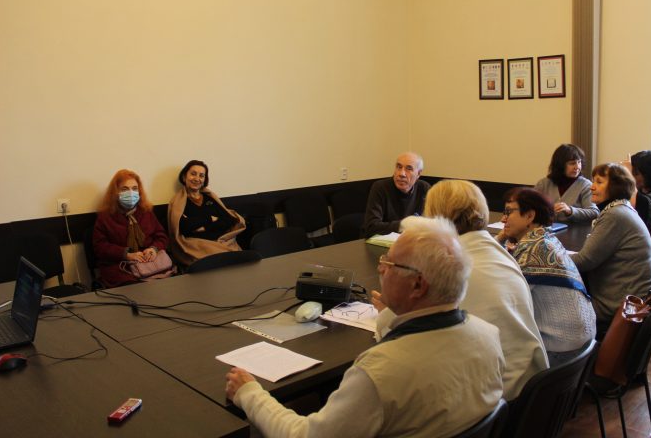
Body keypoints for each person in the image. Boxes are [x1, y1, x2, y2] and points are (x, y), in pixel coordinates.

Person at [225, 216, 504, 438]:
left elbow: (304, 435)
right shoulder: (488, 336)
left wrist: (250, 394)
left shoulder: (378, 372)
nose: (381, 268)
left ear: (418, 285)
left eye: (390, 263)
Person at [418, 180, 548, 398]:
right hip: (531, 384)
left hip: (501, 395)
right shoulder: (499, 252)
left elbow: (415, 329)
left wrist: (388, 313)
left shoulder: (452, 267)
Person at [500, 187, 596, 365]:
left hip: (562, 350)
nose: (503, 219)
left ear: (530, 216)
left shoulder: (533, 250)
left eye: (508, 212)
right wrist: (501, 237)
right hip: (581, 344)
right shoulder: (545, 239)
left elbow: (507, 301)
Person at [570, 163, 651, 333]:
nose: (592, 187)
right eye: (593, 181)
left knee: (554, 308)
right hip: (639, 300)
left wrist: (551, 255)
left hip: (622, 307)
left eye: (599, 182)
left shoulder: (614, 215)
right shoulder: (622, 208)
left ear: (615, 187)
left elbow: (584, 261)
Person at [93, 169, 170, 288]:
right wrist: (126, 254)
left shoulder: (146, 212)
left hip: (150, 264)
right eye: (124, 189)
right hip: (121, 267)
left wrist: (153, 249)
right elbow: (100, 247)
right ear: (115, 192)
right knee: (138, 288)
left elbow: (161, 236)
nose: (131, 193)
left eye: (134, 188)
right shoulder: (105, 217)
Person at [167, 160, 246, 266]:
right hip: (196, 247)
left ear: (204, 180)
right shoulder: (178, 202)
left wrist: (204, 227)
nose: (197, 179)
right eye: (193, 174)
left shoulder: (210, 198)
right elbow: (185, 228)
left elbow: (228, 220)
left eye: (201, 176)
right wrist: (210, 218)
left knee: (240, 263)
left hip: (222, 242)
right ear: (184, 176)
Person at [362, 152, 431, 237]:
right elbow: (371, 227)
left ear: (418, 173)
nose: (401, 174)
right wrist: (405, 225)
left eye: (409, 169)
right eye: (399, 167)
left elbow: (432, 222)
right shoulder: (380, 187)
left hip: (412, 241)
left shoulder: (424, 188)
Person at [535, 144, 598, 223]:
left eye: (579, 162)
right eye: (572, 163)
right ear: (560, 165)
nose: (577, 167)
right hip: (548, 228)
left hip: (574, 229)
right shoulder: (543, 184)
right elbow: (531, 208)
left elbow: (594, 212)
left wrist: (570, 211)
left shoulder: (585, 185)